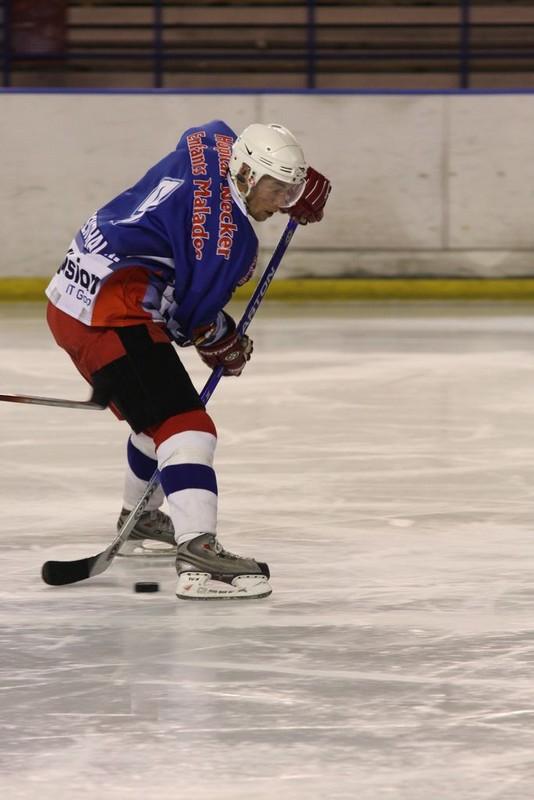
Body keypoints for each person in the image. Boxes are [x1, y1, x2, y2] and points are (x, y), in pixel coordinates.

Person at [45, 119, 331, 600]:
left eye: (291, 191)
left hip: (79, 291)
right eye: (276, 190)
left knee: (157, 418)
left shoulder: (215, 146)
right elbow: (187, 325)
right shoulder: (229, 241)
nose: (282, 203)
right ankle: (199, 555)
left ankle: (139, 520)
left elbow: (206, 129)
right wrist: (224, 341)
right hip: (109, 314)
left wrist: (290, 172)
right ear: (245, 175)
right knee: (188, 428)